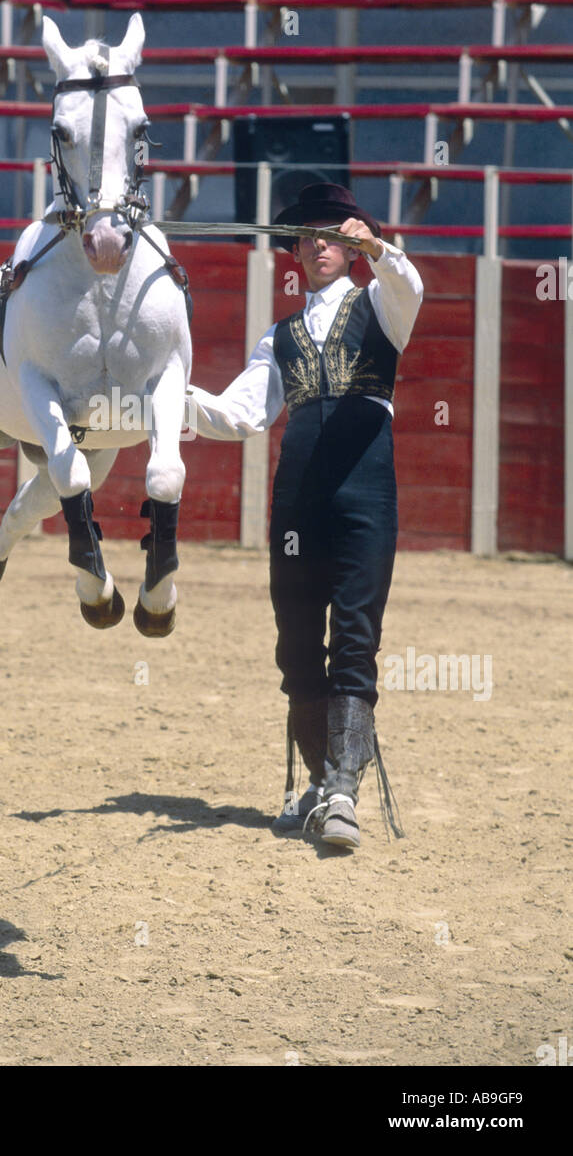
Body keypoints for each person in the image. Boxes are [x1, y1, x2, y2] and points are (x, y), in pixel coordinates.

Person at [185, 183, 424, 850]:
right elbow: (238, 415)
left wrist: (378, 249)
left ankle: (343, 788)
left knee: (354, 633)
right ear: (294, 250)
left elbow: (406, 285)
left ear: (350, 246)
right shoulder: (278, 337)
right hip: (296, 499)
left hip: (364, 488)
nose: (320, 244)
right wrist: (161, 394)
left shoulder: (381, 303)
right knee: (294, 640)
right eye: (308, 236)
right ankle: (320, 782)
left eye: (333, 234)